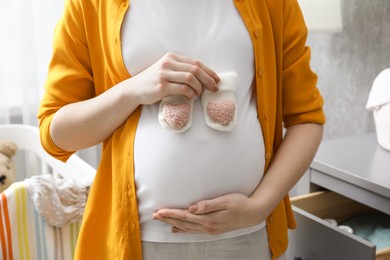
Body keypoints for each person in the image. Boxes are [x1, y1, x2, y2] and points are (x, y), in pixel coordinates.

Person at [38, 0, 325, 259]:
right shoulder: (91, 5)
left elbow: (306, 119)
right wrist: (133, 90)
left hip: (247, 237)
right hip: (142, 242)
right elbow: (55, 135)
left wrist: (260, 207)